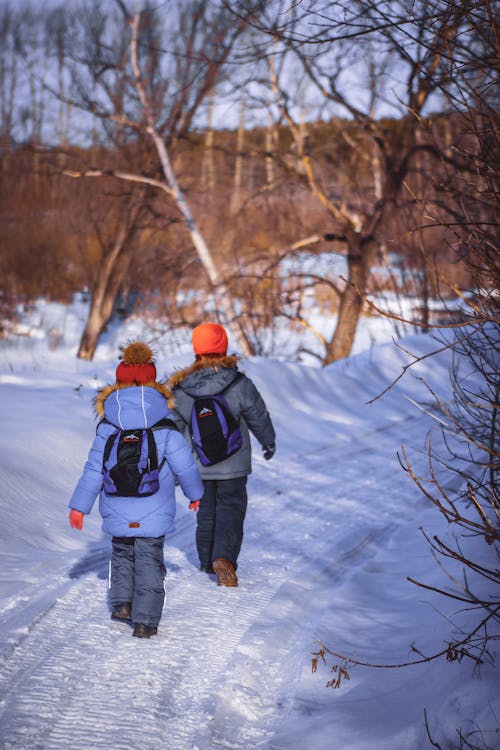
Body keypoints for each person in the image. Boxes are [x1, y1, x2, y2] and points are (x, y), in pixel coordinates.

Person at [68, 341, 203, 638]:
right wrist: (195, 495)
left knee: (122, 554)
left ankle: (122, 605)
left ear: (118, 384)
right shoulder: (165, 425)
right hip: (153, 508)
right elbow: (185, 467)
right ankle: (145, 621)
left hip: (117, 505)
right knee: (149, 560)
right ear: (154, 384)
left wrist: (79, 506)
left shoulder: (108, 426)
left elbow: (94, 469)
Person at [167, 323, 276, 587]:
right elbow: (257, 415)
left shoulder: (180, 389)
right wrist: (268, 441)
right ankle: (224, 559)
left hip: (199, 464)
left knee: (207, 511)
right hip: (234, 464)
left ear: (197, 352)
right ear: (223, 348)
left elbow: (177, 429)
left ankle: (206, 560)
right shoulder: (239, 383)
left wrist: (185, 463)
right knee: (231, 510)